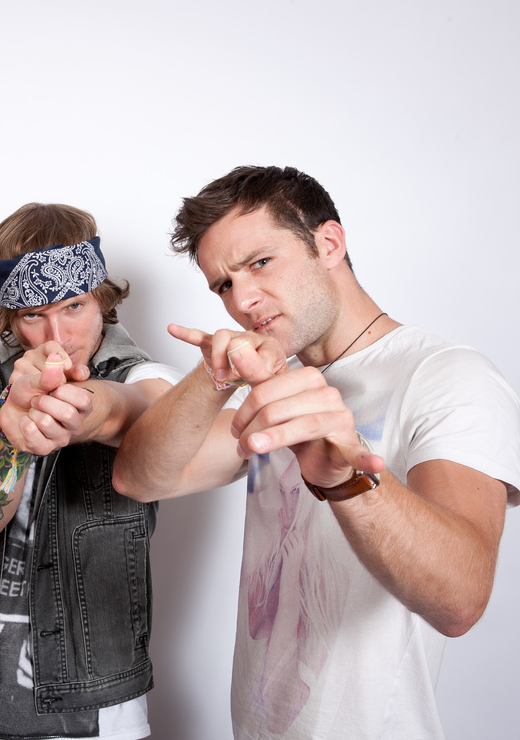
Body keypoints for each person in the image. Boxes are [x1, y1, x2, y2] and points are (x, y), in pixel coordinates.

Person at [112, 165, 520, 739]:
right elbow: (141, 478)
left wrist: (346, 482)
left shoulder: (446, 375)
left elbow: (460, 600)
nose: (243, 299)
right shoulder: (277, 381)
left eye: (260, 262)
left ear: (328, 243)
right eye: (223, 285)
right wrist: (215, 373)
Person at [0, 202, 183, 740]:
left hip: (97, 713)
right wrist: (12, 430)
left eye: (74, 306)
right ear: (8, 316)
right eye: (32, 315)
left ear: (102, 298)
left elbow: (136, 407)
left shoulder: (151, 379)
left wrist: (81, 406)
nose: (56, 336)